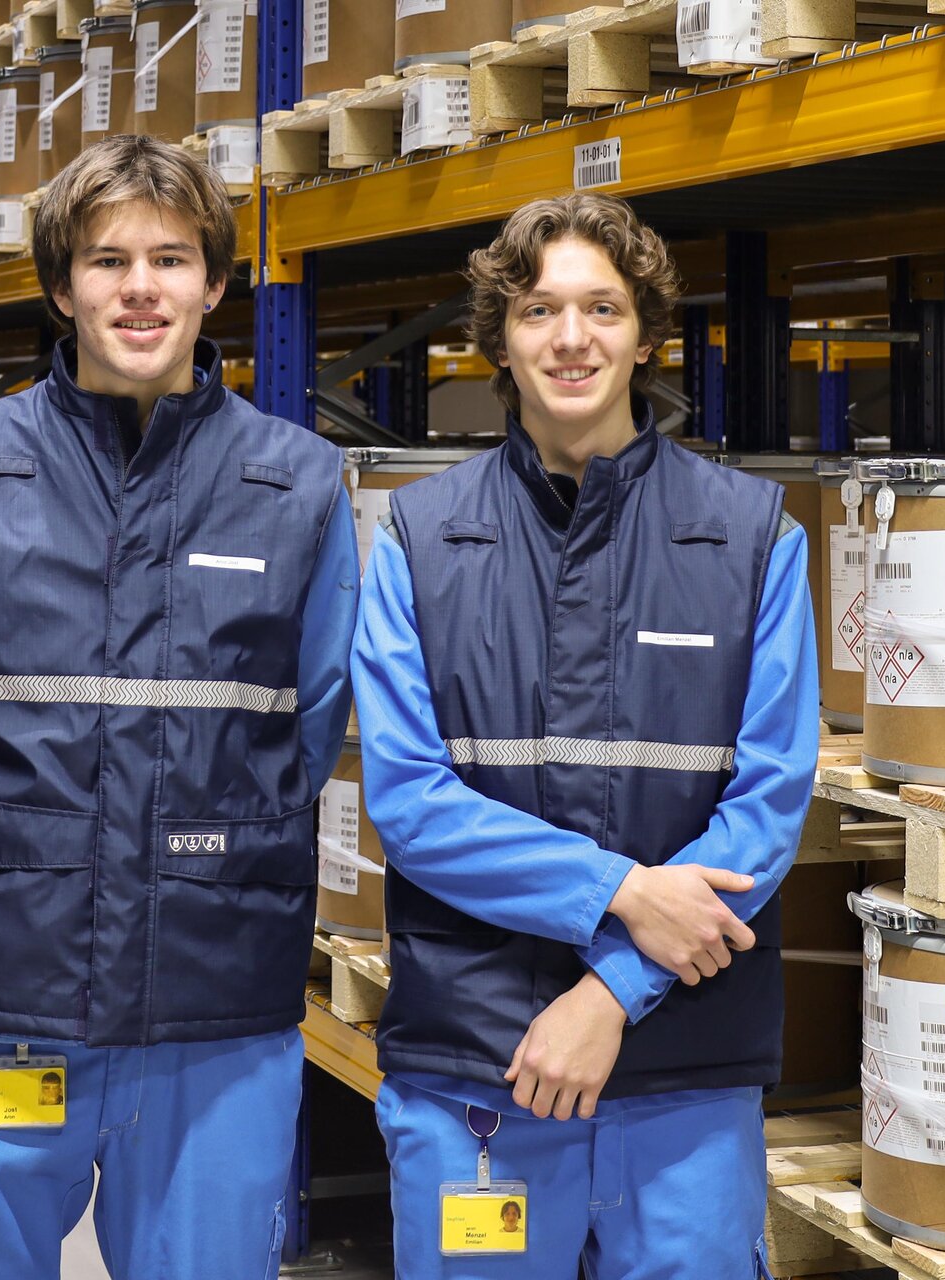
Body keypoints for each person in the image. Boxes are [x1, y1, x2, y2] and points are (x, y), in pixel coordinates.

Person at [0, 133, 361, 1280]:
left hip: (214, 1006)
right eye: (105, 260)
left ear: (214, 282)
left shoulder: (295, 485)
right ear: (60, 285)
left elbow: (317, 719)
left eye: (170, 257)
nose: (139, 287)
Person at [351, 193, 818, 1278]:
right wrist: (621, 889)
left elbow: (766, 803)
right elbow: (412, 803)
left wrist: (608, 990)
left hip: (684, 1070)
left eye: (601, 308)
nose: (570, 338)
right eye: (537, 311)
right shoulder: (420, 540)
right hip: (478, 1065)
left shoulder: (751, 536)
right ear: (498, 342)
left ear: (645, 333)